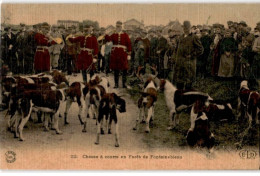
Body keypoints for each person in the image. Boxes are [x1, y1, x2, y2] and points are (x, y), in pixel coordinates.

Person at [174, 21, 204, 89]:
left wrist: (192, 55)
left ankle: (188, 97)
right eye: (184, 27)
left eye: (187, 27)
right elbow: (177, 50)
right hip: (180, 64)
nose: (185, 29)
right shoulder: (181, 37)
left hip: (189, 64)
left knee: (188, 83)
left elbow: (200, 49)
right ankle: (180, 97)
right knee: (179, 83)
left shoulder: (194, 37)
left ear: (190, 28)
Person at [109, 21, 132, 88]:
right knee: (116, 69)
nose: (118, 28)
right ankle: (116, 84)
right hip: (115, 54)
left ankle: (124, 84)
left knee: (124, 69)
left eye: (119, 26)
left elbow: (129, 44)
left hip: (123, 54)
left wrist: (129, 53)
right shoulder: (113, 35)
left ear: (121, 27)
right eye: (117, 26)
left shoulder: (125, 35)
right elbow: (108, 41)